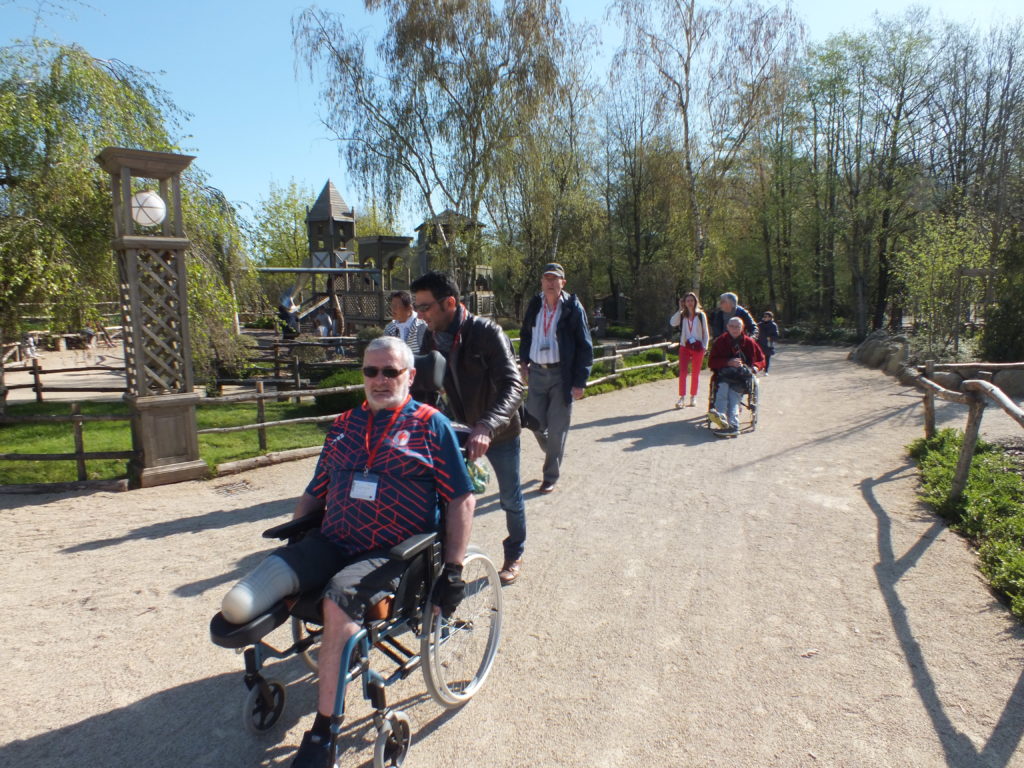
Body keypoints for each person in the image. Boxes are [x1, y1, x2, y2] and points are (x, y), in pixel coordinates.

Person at [219, 337, 475, 768]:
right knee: (252, 593)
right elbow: (316, 490)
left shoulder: (432, 426)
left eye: (390, 371)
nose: (379, 380)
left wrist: (453, 569)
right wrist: (298, 533)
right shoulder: (343, 425)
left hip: (393, 554)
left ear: (410, 376)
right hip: (333, 539)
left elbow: (461, 500)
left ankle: (324, 732)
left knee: (338, 599)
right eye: (371, 371)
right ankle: (261, 629)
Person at [410, 271, 528, 586]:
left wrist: (487, 425)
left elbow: (514, 385)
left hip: (499, 431)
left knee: (510, 498)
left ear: (449, 303)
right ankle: (445, 562)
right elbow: (425, 387)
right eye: (417, 307)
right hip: (457, 431)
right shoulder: (430, 336)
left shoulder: (487, 332)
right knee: (447, 498)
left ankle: (514, 552)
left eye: (425, 307)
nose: (419, 315)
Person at [518, 263, 594, 494]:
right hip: (537, 373)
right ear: (542, 282)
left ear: (563, 282)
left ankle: (550, 476)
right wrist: (523, 362)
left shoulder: (572, 307)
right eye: (547, 278)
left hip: (562, 375)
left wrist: (580, 381)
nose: (550, 282)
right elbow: (525, 334)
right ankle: (553, 448)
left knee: (558, 428)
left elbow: (585, 346)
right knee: (533, 421)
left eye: (555, 279)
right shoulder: (535, 304)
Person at [707, 317, 765, 438]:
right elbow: (711, 362)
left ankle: (731, 424)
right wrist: (728, 362)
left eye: (737, 326)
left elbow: (761, 359)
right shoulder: (720, 341)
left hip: (741, 378)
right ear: (727, 327)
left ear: (742, 328)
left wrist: (754, 368)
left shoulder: (749, 342)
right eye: (732, 326)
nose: (734, 329)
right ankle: (724, 419)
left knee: (733, 397)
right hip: (724, 375)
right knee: (722, 392)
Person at [669, 292, 709, 408]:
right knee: (682, 372)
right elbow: (672, 323)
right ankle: (681, 397)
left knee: (695, 372)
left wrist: (704, 347)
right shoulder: (683, 315)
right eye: (687, 301)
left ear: (695, 301)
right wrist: (679, 310)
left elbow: (706, 332)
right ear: (684, 303)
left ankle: (693, 396)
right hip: (685, 346)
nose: (690, 303)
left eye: (692, 300)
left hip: (698, 347)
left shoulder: (701, 315)